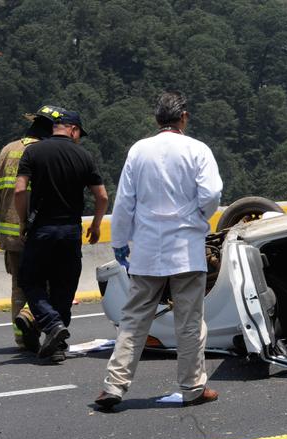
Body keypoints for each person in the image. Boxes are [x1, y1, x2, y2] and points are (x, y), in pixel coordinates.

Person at [95, 91, 223, 409]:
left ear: (156, 120)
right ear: (184, 117)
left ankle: (114, 386)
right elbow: (212, 192)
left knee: (134, 319)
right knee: (190, 321)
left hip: (147, 250)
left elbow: (124, 202)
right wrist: (197, 217)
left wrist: (120, 243)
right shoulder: (197, 150)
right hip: (187, 250)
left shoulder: (139, 151)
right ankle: (193, 387)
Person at [14, 107, 108, 363]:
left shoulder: (33, 152)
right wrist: (97, 225)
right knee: (63, 287)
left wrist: (23, 222)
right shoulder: (84, 156)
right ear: (73, 130)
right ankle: (57, 345)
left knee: (30, 280)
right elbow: (102, 196)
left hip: (42, 229)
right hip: (70, 231)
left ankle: (52, 325)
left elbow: (20, 191)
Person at [0, 107, 56, 351]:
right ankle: (29, 319)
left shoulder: (7, 150)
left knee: (19, 286)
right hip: (36, 233)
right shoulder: (44, 152)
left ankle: (21, 338)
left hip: (10, 235)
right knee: (47, 283)